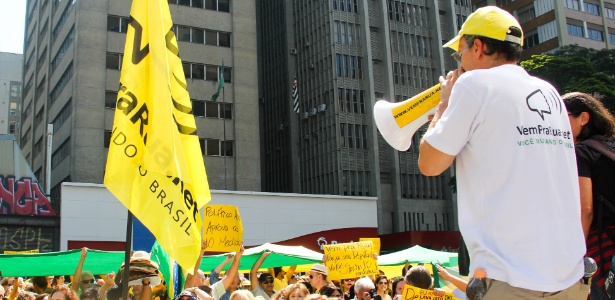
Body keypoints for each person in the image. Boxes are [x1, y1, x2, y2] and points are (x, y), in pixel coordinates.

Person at [417, 5, 587, 299]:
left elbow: (430, 163)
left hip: (510, 277)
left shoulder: (473, 83)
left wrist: (444, 104)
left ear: (478, 47)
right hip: (568, 276)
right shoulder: (549, 92)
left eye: (460, 54)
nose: (460, 64)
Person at [563, 92, 615, 300]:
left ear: (583, 118)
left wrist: (576, 254)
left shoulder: (580, 153)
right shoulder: (609, 147)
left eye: (563, 117)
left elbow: (586, 209)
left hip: (601, 246)